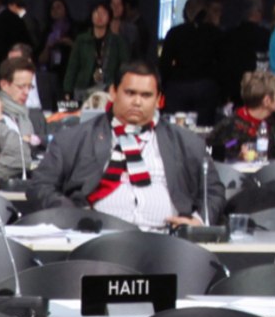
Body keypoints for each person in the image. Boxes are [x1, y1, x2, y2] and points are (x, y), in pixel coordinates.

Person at [31, 61, 224, 229]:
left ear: (158, 100)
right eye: (130, 93)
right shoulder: (74, 138)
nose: (137, 102)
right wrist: (72, 214)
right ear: (113, 92)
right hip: (95, 241)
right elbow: (40, 185)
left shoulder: (187, 143)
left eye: (146, 95)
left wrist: (199, 221)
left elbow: (214, 191)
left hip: (167, 241)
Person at [209, 71, 275, 163]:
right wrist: (237, 151)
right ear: (266, 101)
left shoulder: (271, 122)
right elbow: (223, 146)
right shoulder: (231, 124)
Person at [61, 1, 128, 102]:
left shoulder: (117, 41)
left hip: (107, 87)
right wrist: (67, 89)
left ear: (109, 17)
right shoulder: (82, 39)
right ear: (91, 16)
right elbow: (73, 66)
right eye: (96, 12)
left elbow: (124, 65)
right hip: (83, 87)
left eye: (103, 13)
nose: (99, 16)